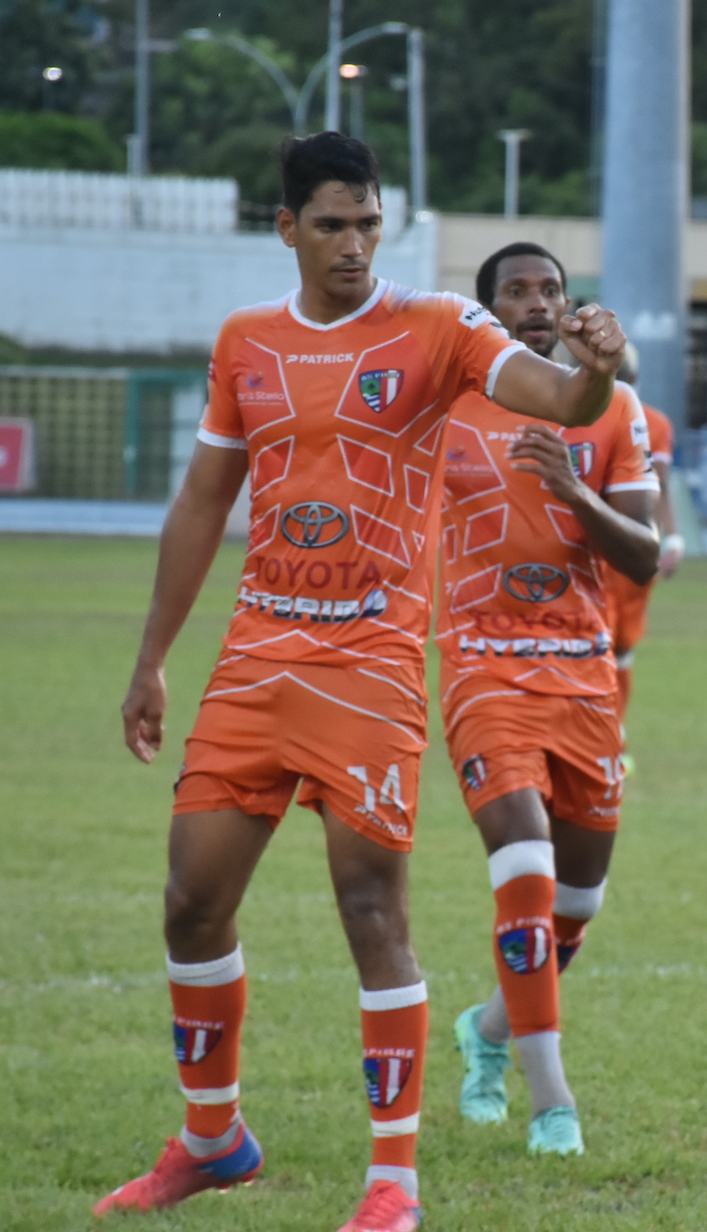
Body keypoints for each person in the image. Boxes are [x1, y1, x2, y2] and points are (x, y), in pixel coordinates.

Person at [98, 135, 627, 1232]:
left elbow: (564, 406)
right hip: (254, 660)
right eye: (331, 224)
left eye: (369, 224)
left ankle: (394, 1183)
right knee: (192, 904)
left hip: (372, 665)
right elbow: (204, 502)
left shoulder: (439, 325)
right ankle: (212, 1140)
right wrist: (152, 657)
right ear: (285, 227)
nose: (353, 244)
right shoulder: (246, 342)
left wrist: (596, 369)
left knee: (370, 908)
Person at [439, 242, 659, 1155]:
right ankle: (550, 1100)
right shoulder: (442, 404)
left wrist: (573, 489)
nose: (537, 303)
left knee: (577, 901)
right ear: (486, 312)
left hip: (582, 672)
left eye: (550, 289)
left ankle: (488, 1028)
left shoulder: (613, 411)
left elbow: (643, 555)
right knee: (522, 864)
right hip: (480, 666)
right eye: (516, 291)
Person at [598, 341, 685, 729]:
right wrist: (674, 538)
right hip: (634, 544)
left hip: (595, 543)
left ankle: (606, 735)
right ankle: (611, 735)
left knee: (597, 646)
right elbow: (662, 487)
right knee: (618, 650)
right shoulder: (654, 422)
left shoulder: (576, 413)